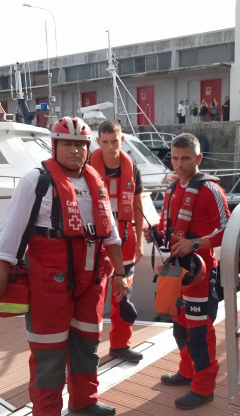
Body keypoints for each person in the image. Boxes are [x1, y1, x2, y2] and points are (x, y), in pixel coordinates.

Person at [0, 116, 128, 416]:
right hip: (49, 281)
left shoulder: (95, 181)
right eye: (68, 144)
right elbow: (12, 231)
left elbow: (111, 233)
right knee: (49, 351)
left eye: (80, 145)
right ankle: (47, 415)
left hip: (92, 279)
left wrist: (120, 273)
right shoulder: (37, 181)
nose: (75, 151)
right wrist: (2, 273)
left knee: (87, 343)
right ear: (55, 145)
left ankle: (84, 400)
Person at [151, 133, 230, 410]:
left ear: (198, 158)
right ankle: (187, 372)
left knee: (199, 332)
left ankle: (204, 387)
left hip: (200, 269)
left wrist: (195, 243)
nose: (179, 164)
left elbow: (227, 229)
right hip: (177, 270)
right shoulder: (174, 188)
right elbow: (166, 225)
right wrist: (157, 236)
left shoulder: (210, 191)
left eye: (185, 158)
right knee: (180, 326)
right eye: (174, 158)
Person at [91, 120, 145, 363]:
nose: (111, 146)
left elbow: (137, 206)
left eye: (115, 141)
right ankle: (88, 350)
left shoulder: (132, 167)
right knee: (93, 300)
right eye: (105, 142)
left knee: (123, 296)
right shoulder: (87, 167)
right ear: (98, 142)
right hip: (96, 241)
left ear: (122, 139)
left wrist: (141, 242)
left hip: (125, 239)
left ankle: (120, 345)